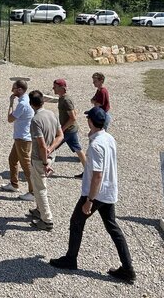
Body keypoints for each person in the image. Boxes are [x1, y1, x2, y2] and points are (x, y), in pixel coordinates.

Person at [49, 106, 136, 283]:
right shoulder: (109, 138)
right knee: (112, 227)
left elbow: (97, 175)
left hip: (95, 193)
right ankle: (128, 268)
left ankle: (71, 259)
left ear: (90, 122)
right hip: (108, 191)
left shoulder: (96, 145)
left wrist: (89, 200)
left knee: (76, 222)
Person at [28, 90, 63, 231]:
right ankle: (39, 210)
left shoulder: (35, 120)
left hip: (40, 159)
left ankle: (47, 220)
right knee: (38, 184)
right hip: (50, 156)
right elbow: (60, 136)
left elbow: (41, 145)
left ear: (31, 104)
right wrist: (51, 148)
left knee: (40, 188)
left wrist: (44, 162)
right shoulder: (51, 114)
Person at [0, 80, 36, 201]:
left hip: (23, 139)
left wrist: (11, 104)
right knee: (12, 159)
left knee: (26, 166)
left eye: (14, 88)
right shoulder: (26, 100)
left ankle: (33, 192)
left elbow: (10, 119)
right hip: (20, 137)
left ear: (20, 90)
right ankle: (14, 184)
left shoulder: (22, 104)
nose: (12, 90)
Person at [52, 79, 86, 178]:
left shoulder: (66, 100)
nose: (53, 88)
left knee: (51, 147)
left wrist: (61, 130)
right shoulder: (62, 98)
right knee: (78, 149)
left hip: (68, 131)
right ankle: (88, 172)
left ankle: (41, 169)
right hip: (70, 130)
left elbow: (73, 117)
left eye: (55, 87)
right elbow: (74, 113)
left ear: (61, 88)